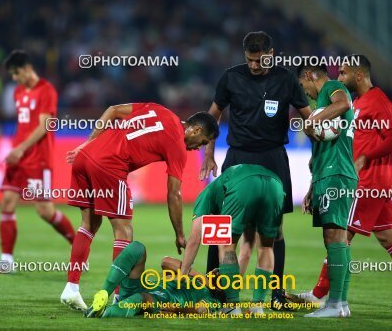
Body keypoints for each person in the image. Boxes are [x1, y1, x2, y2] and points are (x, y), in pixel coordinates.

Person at [290, 55, 392, 311]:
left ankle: (320, 294)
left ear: (359, 75)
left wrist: (364, 157)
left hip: (369, 180)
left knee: (339, 233)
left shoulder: (378, 100)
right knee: (390, 238)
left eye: (343, 74)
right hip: (375, 181)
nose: (339, 78)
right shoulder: (357, 102)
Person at [60, 103, 219, 310]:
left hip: (85, 157)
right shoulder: (177, 146)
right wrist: (179, 233)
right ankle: (120, 297)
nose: (198, 148)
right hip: (110, 166)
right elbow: (174, 193)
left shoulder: (161, 111)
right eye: (202, 142)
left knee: (88, 225)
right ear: (196, 130)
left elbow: (113, 110)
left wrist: (88, 142)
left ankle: (71, 288)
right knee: (124, 231)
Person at [199, 31, 312, 310]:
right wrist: (209, 155)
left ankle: (275, 295)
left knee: (274, 232)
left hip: (273, 158)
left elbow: (309, 120)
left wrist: (318, 162)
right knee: (222, 229)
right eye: (249, 60)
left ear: (271, 54)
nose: (253, 65)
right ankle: (215, 293)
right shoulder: (231, 77)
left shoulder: (286, 79)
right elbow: (211, 117)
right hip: (237, 156)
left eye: (259, 60)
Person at [0, 50, 75, 273]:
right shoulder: (18, 92)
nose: (14, 78)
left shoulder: (46, 90)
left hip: (37, 160)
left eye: (16, 73)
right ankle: (6, 261)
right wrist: (17, 149)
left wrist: (21, 149)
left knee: (45, 211)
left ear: (26, 68)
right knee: (7, 202)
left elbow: (44, 126)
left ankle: (78, 244)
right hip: (19, 158)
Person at [181, 164, 285, 315]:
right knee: (266, 247)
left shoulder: (205, 196)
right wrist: (230, 279)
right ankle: (257, 306)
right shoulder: (229, 199)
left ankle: (232, 306)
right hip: (275, 184)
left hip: (243, 185)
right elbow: (246, 252)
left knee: (225, 244)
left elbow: (194, 239)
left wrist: (182, 276)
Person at [298, 63, 358, 317]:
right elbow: (319, 151)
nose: (306, 94)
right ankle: (340, 304)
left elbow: (343, 103)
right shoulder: (321, 105)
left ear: (310, 76)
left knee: (335, 238)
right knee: (335, 239)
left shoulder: (333, 88)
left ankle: (335, 304)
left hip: (336, 173)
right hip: (326, 174)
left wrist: (312, 121)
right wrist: (312, 187)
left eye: (303, 87)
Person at [84, 241, 226, 318]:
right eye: (217, 270)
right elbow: (166, 262)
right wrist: (201, 277)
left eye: (219, 274)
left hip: (161, 299)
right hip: (142, 286)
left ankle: (103, 313)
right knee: (137, 248)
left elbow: (199, 310)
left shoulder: (213, 300)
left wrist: (176, 309)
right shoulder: (197, 277)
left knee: (143, 298)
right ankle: (103, 293)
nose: (216, 271)